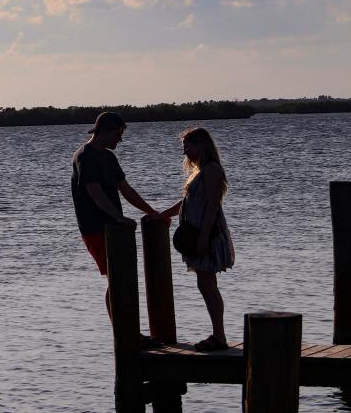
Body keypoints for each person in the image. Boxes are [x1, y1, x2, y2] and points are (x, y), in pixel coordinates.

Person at [71, 111, 166, 330]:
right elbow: (94, 192)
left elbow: (126, 189)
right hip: (95, 228)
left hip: (115, 228)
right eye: (118, 134)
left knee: (121, 277)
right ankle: (122, 332)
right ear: (105, 131)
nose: (120, 139)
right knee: (115, 279)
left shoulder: (109, 157)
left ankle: (128, 330)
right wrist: (118, 217)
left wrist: (152, 212)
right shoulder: (84, 156)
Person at [157, 127, 234, 351]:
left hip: (208, 234)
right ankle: (218, 334)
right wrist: (163, 215)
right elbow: (188, 202)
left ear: (201, 145)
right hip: (198, 233)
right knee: (205, 284)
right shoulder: (199, 171)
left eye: (188, 147)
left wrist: (203, 237)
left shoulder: (211, 170)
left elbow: (212, 205)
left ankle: (219, 336)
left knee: (208, 285)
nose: (185, 153)